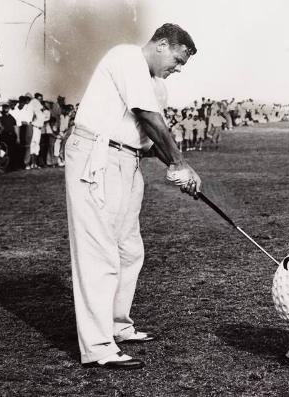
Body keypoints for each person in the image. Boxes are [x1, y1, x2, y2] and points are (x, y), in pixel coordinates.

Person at [65, 23, 201, 370]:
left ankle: (116, 326)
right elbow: (148, 118)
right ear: (161, 45)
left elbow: (152, 139)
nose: (178, 68)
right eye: (177, 59)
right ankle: (98, 347)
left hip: (128, 161)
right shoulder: (126, 57)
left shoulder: (157, 86)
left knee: (129, 250)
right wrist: (180, 163)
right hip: (97, 157)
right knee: (100, 251)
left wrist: (181, 170)